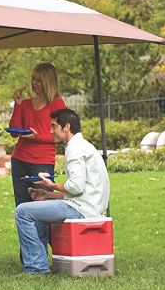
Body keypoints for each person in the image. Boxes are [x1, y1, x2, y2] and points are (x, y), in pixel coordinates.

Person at [14, 108, 110, 275]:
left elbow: (75, 187)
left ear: (66, 126)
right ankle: (38, 264)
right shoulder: (83, 146)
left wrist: (51, 185)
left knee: (22, 211)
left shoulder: (75, 149)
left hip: (81, 210)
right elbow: (80, 190)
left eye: (54, 126)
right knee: (34, 209)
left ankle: (36, 269)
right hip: (88, 206)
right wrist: (48, 196)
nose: (51, 131)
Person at [9, 62, 66, 206]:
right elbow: (14, 132)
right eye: (33, 78)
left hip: (42, 163)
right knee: (22, 206)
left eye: (38, 80)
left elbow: (62, 135)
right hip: (19, 160)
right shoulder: (26, 103)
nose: (33, 83)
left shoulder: (57, 104)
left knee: (43, 206)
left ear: (47, 82)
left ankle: (43, 230)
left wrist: (37, 136)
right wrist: (17, 104)